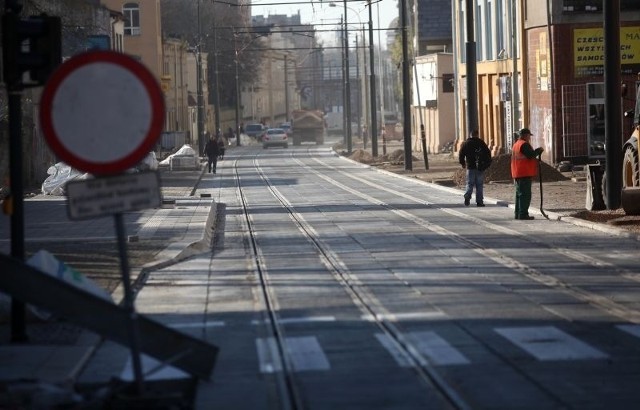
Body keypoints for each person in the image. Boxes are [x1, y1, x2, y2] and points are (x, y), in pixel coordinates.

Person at [511, 128, 544, 220]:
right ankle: (523, 214)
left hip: (518, 172)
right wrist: (538, 151)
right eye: (529, 135)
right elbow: (530, 155)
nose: (530, 137)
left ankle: (517, 213)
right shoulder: (524, 144)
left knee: (519, 194)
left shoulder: (516, 144)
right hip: (524, 173)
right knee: (525, 195)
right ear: (526, 135)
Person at [459, 129, 492, 207]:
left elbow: (461, 154)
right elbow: (488, 153)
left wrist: (463, 163)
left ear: (470, 135)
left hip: (470, 166)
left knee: (469, 183)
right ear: (477, 135)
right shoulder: (481, 143)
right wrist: (486, 163)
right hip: (480, 167)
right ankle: (479, 201)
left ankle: (467, 195)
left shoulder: (466, 143)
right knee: (479, 185)